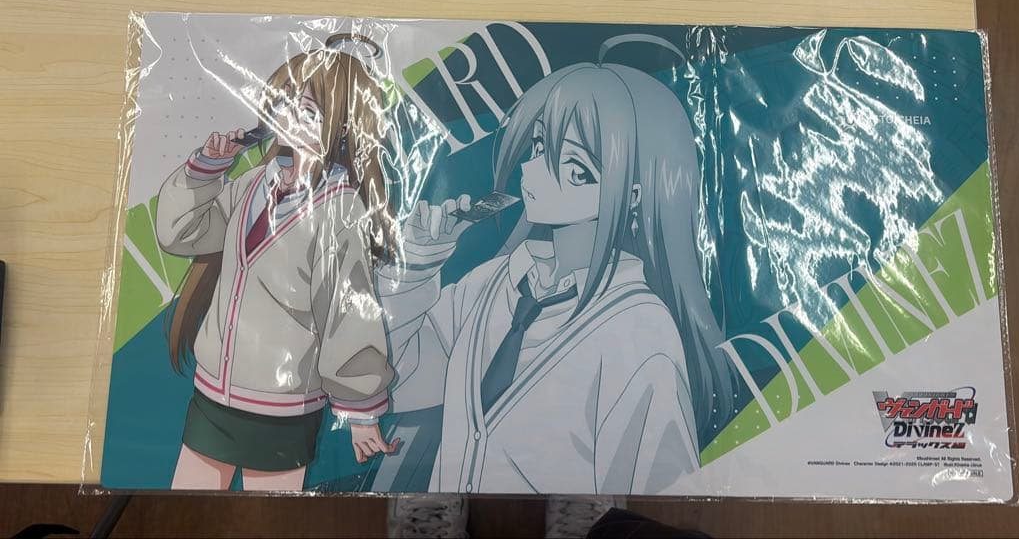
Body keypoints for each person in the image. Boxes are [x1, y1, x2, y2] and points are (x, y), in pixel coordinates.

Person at [377, 41, 735, 495]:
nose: (537, 170)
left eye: (578, 169)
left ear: (633, 196)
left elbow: (654, 501)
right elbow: (395, 382)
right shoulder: (493, 284)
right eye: (540, 145)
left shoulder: (640, 333)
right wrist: (416, 267)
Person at [156, 34, 400, 491]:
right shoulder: (252, 184)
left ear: (341, 128)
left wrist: (362, 411)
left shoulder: (339, 209)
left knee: (267, 520)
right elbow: (179, 234)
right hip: (213, 396)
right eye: (285, 102)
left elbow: (348, 312)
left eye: (307, 110)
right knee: (185, 508)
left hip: (283, 412)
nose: (287, 117)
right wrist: (206, 170)